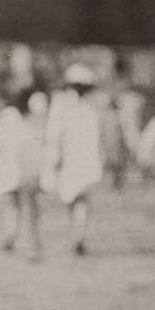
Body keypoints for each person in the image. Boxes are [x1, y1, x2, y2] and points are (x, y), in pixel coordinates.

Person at [42, 63, 103, 255]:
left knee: (77, 198)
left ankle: (78, 237)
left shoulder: (77, 106)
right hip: (76, 159)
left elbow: (54, 133)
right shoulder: (82, 106)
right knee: (77, 199)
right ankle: (78, 236)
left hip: (75, 159)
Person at [0, 85, 47, 259]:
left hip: (16, 168)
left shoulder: (10, 115)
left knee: (15, 205)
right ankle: (29, 240)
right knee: (29, 206)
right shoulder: (26, 118)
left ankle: (12, 237)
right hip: (25, 168)